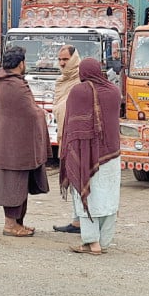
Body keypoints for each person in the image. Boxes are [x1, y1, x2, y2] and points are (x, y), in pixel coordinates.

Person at [0, 46, 51, 237]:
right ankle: (10, 225)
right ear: (21, 64)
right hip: (13, 147)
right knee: (13, 185)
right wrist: (41, 113)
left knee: (19, 184)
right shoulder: (13, 84)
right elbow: (31, 112)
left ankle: (18, 223)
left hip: (8, 143)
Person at [59, 57, 122, 255]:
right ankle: (103, 242)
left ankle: (91, 242)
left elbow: (72, 123)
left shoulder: (79, 91)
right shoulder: (114, 91)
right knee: (108, 197)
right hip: (111, 155)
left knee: (86, 195)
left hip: (85, 154)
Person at [52, 45, 83, 234]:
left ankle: (81, 221)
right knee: (72, 178)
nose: (62, 63)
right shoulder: (62, 81)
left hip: (77, 138)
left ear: (74, 59)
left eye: (66, 60)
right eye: (60, 60)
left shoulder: (82, 80)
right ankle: (77, 220)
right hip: (65, 135)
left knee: (79, 178)